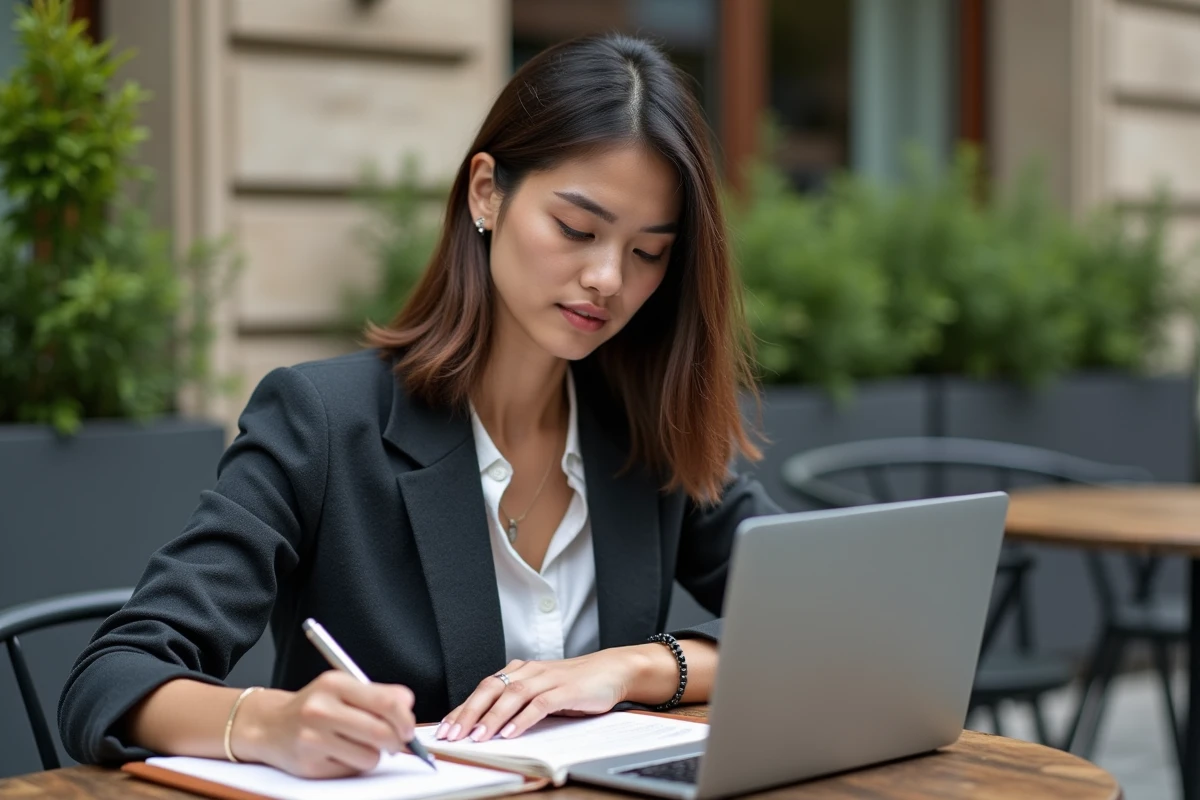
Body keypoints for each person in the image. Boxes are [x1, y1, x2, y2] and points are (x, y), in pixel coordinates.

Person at [58, 33, 780, 780]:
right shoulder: (325, 423)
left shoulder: (648, 424)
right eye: (576, 229)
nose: (606, 276)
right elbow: (110, 679)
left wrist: (636, 668)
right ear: (486, 192)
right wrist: (272, 722)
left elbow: (824, 621)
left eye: (648, 252)